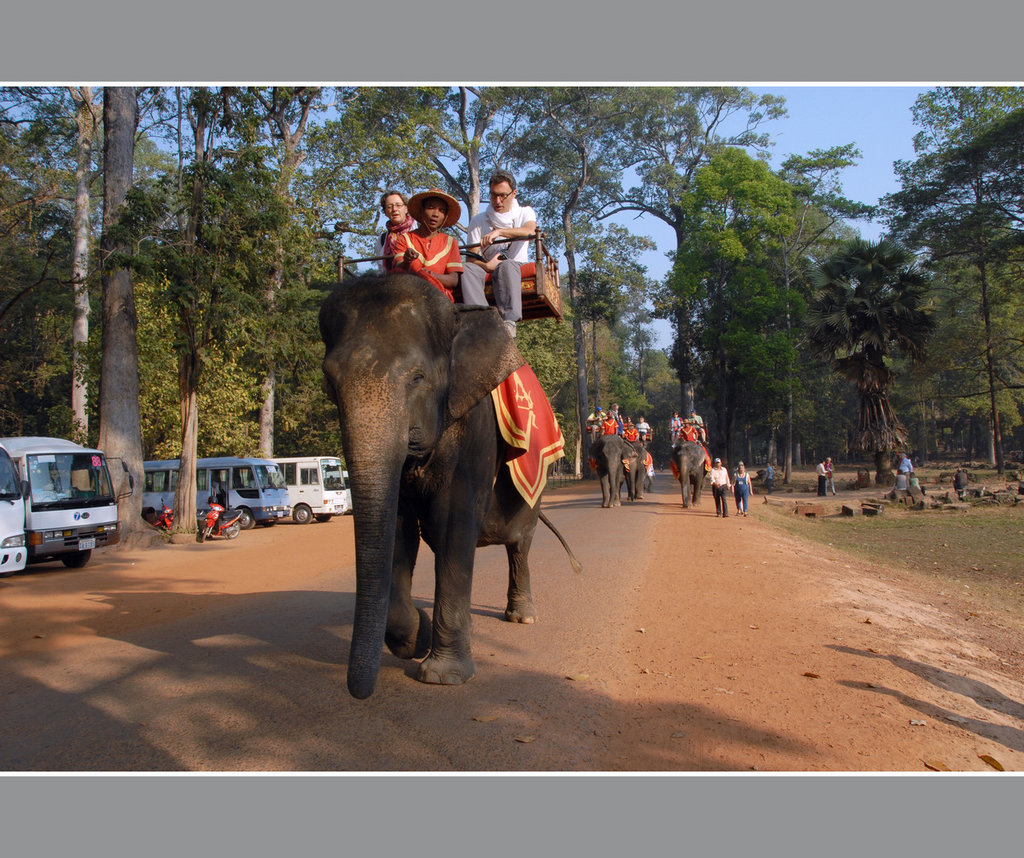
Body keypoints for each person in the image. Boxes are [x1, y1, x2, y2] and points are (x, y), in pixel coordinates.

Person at [461, 169, 537, 338]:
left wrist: (500, 232)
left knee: (506, 266)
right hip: (487, 265)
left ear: (514, 193)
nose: (497, 201)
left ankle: (509, 322)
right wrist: (487, 265)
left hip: (513, 265)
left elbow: (530, 231)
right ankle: (481, 321)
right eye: (494, 195)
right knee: (467, 269)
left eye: (503, 195)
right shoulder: (479, 220)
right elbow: (471, 257)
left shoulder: (525, 212)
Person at [390, 189, 464, 301]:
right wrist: (407, 260)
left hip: (440, 299)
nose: (436, 214)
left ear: (445, 216)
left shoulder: (450, 242)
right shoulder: (404, 239)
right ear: (421, 211)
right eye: (431, 208)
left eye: (441, 210)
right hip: (409, 296)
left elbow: (453, 280)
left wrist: (431, 276)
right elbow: (398, 271)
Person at [378, 190, 414, 274]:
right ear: (385, 212)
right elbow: (381, 270)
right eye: (389, 207)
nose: (394, 209)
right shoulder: (382, 240)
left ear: (406, 208)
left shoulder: (420, 229)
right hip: (393, 283)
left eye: (398, 205)